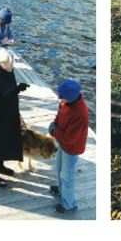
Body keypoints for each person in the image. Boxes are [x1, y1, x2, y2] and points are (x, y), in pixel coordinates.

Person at [0, 48, 29, 187]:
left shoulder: (6, 67)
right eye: (7, 67)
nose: (10, 69)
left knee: (4, 139)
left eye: (11, 66)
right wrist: (16, 89)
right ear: (0, 64)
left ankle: (0, 165)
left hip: (8, 111)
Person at [48, 79, 88, 214]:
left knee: (67, 176)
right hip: (62, 142)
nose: (59, 98)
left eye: (61, 96)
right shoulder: (65, 102)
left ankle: (69, 204)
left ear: (70, 97)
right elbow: (59, 115)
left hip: (71, 148)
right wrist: (54, 124)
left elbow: (71, 139)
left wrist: (54, 131)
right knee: (59, 168)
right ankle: (61, 190)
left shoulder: (80, 113)